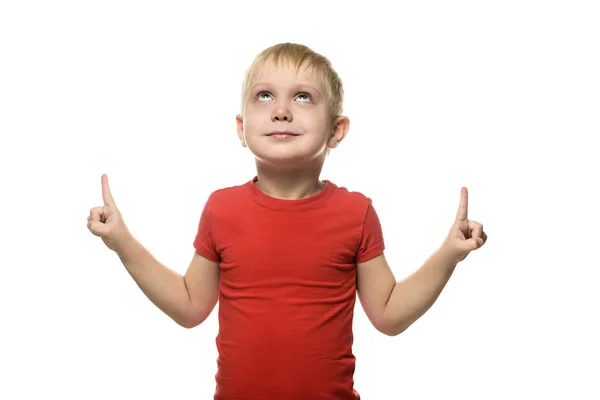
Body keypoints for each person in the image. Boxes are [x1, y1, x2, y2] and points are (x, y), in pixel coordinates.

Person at [87, 42, 488, 400]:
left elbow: (388, 314)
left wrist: (449, 254)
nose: (281, 111)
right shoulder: (221, 209)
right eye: (264, 96)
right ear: (242, 129)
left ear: (336, 130)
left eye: (302, 97)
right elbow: (190, 306)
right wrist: (121, 240)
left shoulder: (356, 213)